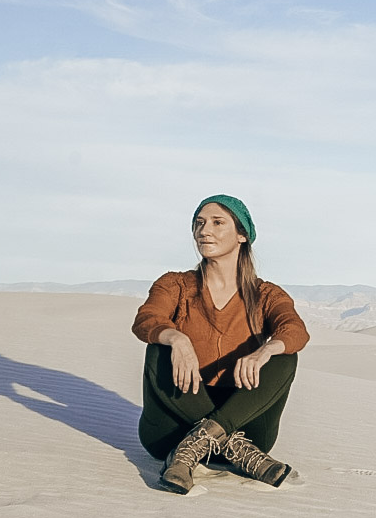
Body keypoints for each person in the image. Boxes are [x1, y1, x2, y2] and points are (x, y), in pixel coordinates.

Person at [132, 193, 310, 494]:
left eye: (217, 223)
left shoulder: (266, 294)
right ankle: (224, 447)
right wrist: (176, 337)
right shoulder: (175, 284)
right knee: (160, 346)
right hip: (171, 433)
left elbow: (295, 329)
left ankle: (204, 443)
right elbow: (147, 318)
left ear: (242, 234)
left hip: (246, 425)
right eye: (199, 223)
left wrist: (266, 350)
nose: (204, 231)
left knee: (284, 355)